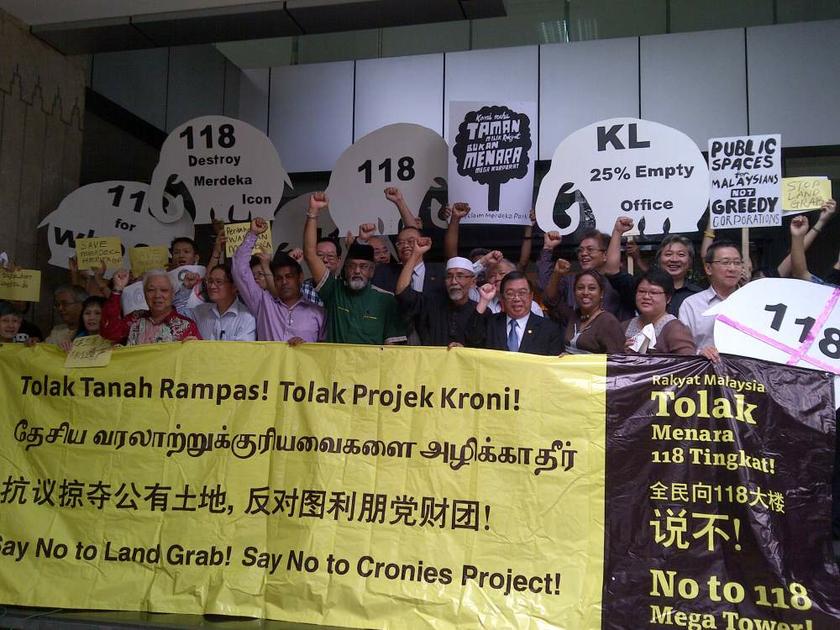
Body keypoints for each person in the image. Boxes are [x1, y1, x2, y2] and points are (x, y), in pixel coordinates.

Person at [303, 192, 406, 345]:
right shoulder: (334, 291)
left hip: (370, 369)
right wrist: (313, 213)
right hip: (336, 368)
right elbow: (311, 254)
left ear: (372, 271)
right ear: (344, 268)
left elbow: (393, 349)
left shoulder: (386, 300)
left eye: (363, 266)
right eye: (352, 266)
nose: (357, 271)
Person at [233, 219, 325, 343]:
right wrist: (252, 234)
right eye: (279, 278)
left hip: (303, 363)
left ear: (300, 277)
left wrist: (307, 348)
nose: (284, 282)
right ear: (274, 280)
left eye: (289, 276)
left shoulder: (317, 312)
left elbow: (326, 352)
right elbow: (239, 269)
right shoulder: (263, 303)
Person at [395, 236, 476, 346]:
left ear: (472, 281)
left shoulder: (480, 312)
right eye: (449, 276)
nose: (454, 281)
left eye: (460, 276)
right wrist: (415, 255)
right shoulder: (431, 303)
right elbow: (402, 291)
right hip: (430, 362)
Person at [464, 271, 563, 355]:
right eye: (510, 294)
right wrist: (484, 300)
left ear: (531, 296)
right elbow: (472, 339)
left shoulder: (549, 329)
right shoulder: (491, 323)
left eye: (522, 293)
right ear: (502, 298)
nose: (516, 298)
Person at [679, 240, 743, 361]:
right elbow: (682, 348)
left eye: (737, 263)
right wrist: (699, 352)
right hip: (706, 375)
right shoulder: (691, 304)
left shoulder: (752, 302)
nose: (732, 268)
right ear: (708, 268)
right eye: (726, 262)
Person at [100, 270, 200, 345]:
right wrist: (117, 289)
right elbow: (109, 333)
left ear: (173, 294)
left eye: (164, 290)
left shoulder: (186, 325)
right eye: (151, 290)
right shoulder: (135, 319)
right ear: (144, 294)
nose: (157, 295)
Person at [176, 262, 257, 341]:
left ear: (234, 286)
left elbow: (242, 352)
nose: (212, 286)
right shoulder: (200, 311)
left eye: (218, 282)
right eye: (210, 281)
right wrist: (186, 288)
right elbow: (175, 317)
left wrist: (201, 347)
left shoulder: (246, 318)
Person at [623, 270, 696, 355]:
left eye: (653, 292)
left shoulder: (675, 329)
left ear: (668, 298)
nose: (646, 297)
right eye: (641, 291)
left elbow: (688, 363)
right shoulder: (624, 326)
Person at [564, 270, 625, 354]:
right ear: (574, 292)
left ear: (601, 294)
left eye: (592, 288)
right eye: (580, 288)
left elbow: (617, 361)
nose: (585, 292)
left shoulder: (608, 322)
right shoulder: (573, 316)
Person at [653, 235, 703, 316]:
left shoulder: (698, 296)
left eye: (681, 255)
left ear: (690, 261)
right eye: (668, 254)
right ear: (659, 259)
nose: (674, 259)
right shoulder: (646, 292)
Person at [301, 236, 342, 307]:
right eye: (320, 255)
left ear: (338, 261)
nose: (325, 260)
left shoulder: (343, 289)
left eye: (330, 256)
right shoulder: (302, 289)